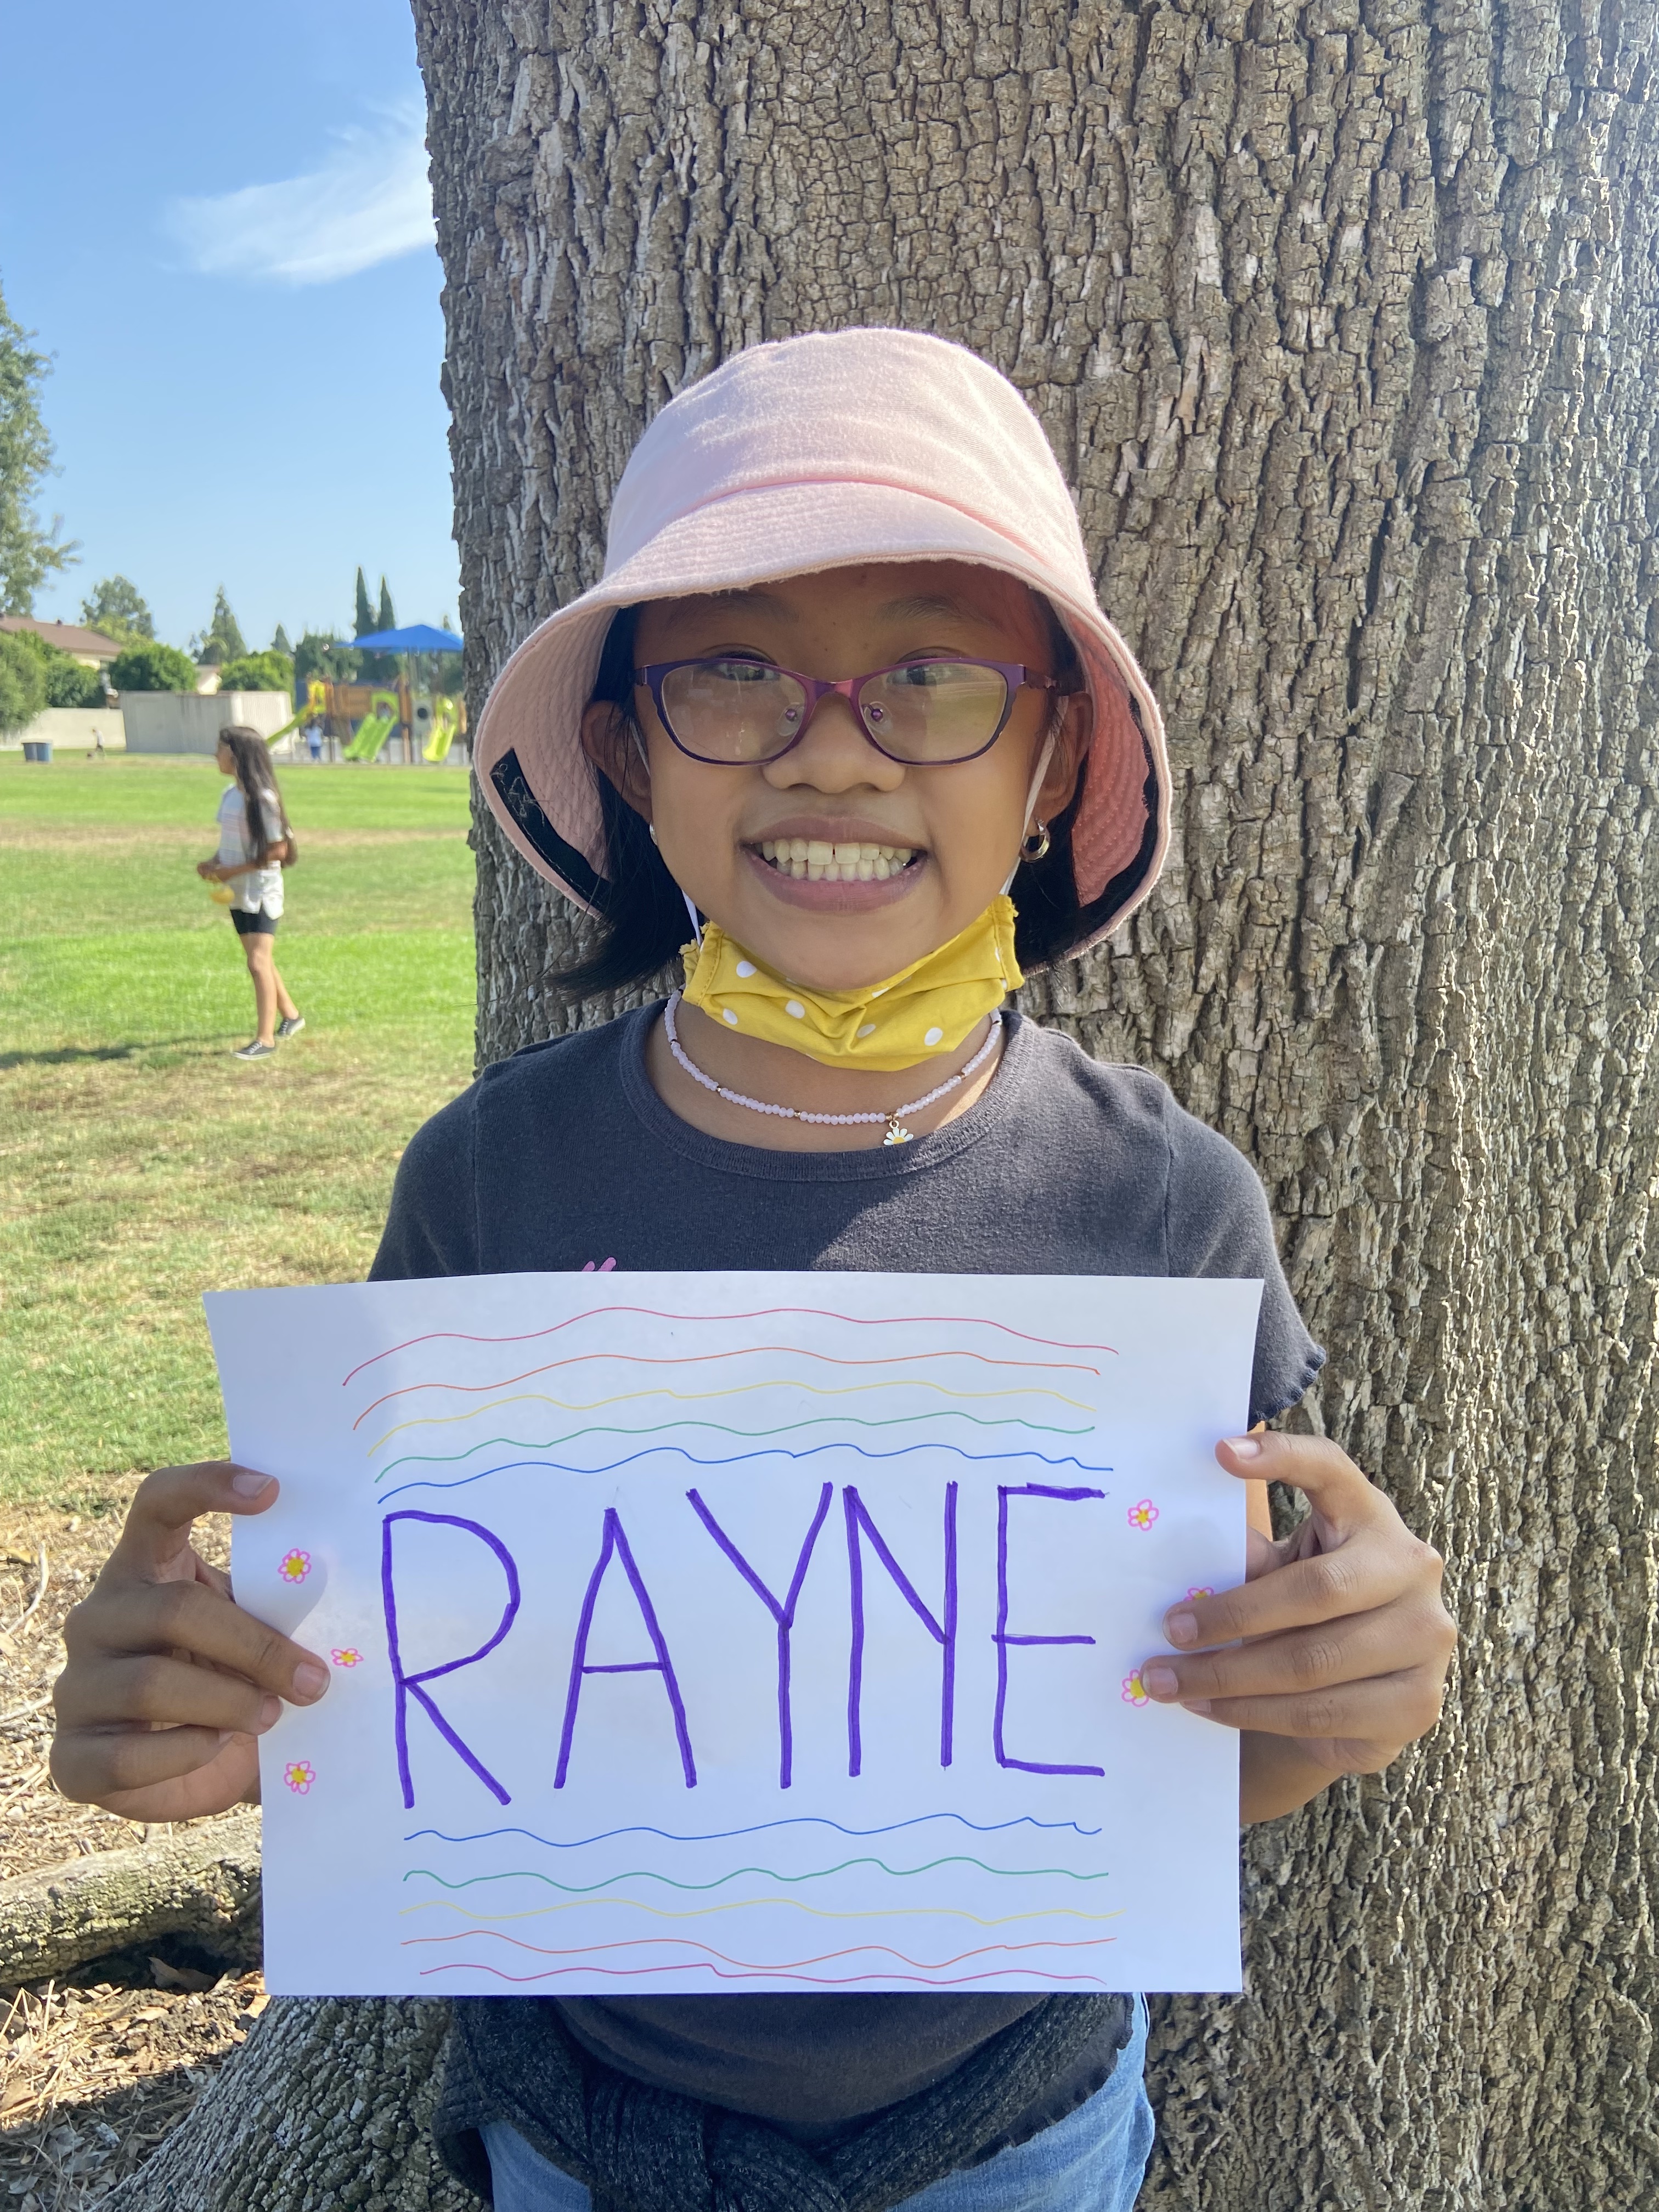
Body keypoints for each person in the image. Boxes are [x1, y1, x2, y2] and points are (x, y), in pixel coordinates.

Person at [52, 333, 1455, 2212]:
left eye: (935, 674)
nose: (833, 745)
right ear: (628, 752)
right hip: (579, 2125)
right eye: (732, 672)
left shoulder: (1166, 1212)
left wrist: (1338, 1699)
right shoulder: (487, 1183)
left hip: (1010, 2130)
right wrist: (214, 1724)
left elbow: (1203, 1751)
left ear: (1055, 757)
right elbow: (406, 1694)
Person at [196, 724, 305, 1060]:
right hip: (237, 891)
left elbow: (279, 851)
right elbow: (231, 842)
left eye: (221, 749)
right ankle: (292, 1016)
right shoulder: (230, 796)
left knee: (257, 963)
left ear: (237, 755)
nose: (215, 755)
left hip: (261, 891)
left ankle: (265, 1040)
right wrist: (214, 863)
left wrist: (231, 871)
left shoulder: (263, 800)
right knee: (261, 960)